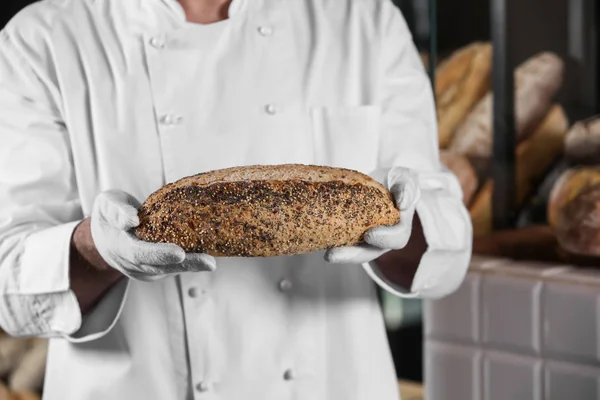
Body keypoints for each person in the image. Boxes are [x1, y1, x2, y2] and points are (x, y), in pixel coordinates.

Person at [0, 0, 472, 399]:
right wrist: (98, 248)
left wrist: (402, 223)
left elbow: (447, 251)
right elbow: (11, 285)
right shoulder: (45, 38)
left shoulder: (360, 18)